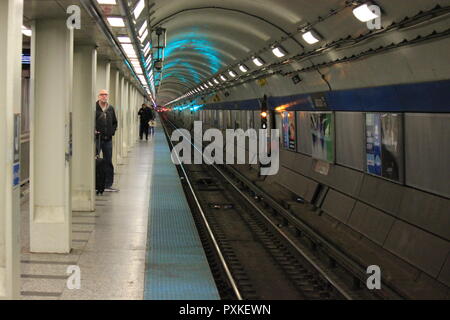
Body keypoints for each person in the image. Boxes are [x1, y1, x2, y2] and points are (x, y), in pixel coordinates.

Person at [95, 89, 119, 192]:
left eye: (106, 95)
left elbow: (115, 122)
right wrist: (93, 130)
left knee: (108, 161)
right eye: (102, 95)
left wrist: (111, 132)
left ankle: (108, 184)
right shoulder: (94, 108)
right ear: (98, 96)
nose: (104, 96)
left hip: (108, 139)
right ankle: (95, 182)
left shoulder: (110, 108)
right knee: (94, 160)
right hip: (97, 139)